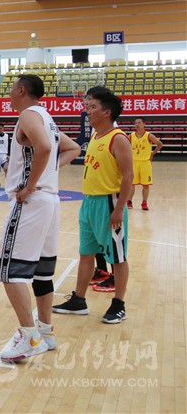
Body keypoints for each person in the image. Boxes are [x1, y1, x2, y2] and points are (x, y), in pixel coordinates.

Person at [0, 74, 81, 362]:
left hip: (31, 202)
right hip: (50, 201)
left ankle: (29, 337)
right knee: (43, 272)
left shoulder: (28, 115)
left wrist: (30, 184)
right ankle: (45, 332)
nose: (8, 93)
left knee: (10, 271)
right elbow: (73, 148)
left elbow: (43, 148)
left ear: (21, 90)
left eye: (11, 88)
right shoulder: (47, 118)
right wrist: (44, 174)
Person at [53, 86, 133, 324]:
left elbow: (129, 176)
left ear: (106, 112)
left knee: (117, 257)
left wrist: (119, 208)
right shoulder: (96, 137)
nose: (88, 110)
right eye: (87, 106)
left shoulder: (118, 138)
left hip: (109, 203)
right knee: (86, 254)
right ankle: (79, 300)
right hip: (89, 202)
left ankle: (119, 305)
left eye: (93, 107)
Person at [127, 117, 163, 210]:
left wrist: (152, 153)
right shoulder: (131, 136)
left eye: (139, 122)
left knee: (145, 185)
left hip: (145, 163)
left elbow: (160, 144)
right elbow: (123, 145)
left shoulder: (149, 135)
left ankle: (144, 202)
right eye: (136, 123)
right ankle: (129, 201)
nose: (137, 124)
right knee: (132, 184)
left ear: (144, 124)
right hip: (134, 162)